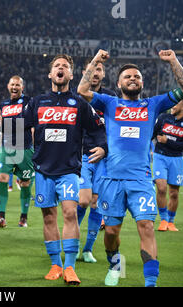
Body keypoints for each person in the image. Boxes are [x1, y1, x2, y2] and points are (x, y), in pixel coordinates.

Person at [77, 49, 183, 287]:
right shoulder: (109, 103)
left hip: (140, 180)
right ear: (119, 83)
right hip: (112, 180)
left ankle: (151, 282)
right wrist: (97, 60)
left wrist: (173, 61)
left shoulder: (152, 104)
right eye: (128, 76)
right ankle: (115, 264)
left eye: (137, 76)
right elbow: (82, 90)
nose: (133, 79)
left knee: (147, 227)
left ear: (142, 83)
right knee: (111, 233)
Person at [24, 54, 107, 285]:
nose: (61, 69)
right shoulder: (37, 102)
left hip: (69, 170)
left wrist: (103, 147)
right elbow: (20, 128)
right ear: (50, 74)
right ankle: (55, 265)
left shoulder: (80, 104)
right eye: (57, 66)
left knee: (70, 212)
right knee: (49, 217)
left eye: (65, 67)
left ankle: (69, 267)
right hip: (42, 170)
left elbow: (98, 129)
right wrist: (20, 162)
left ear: (71, 75)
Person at [76, 60, 116, 263]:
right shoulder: (76, 98)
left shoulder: (110, 98)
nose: (95, 73)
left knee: (96, 203)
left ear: (103, 74)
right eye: (91, 69)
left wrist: (105, 149)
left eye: (99, 69)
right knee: (82, 200)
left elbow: (116, 129)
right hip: (82, 155)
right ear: (84, 73)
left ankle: (87, 250)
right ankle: (73, 244)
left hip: (105, 158)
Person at [0, 75, 34, 228]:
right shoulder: (3, 105)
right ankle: (1, 216)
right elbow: (2, 127)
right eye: (12, 84)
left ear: (22, 87)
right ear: (8, 86)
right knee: (2, 177)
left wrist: (6, 122)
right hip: (7, 147)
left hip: (25, 148)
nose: (15, 87)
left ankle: (23, 217)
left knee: (25, 183)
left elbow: (27, 121)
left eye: (18, 85)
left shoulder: (29, 102)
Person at [153, 98, 183, 232]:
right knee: (161, 188)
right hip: (160, 156)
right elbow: (152, 134)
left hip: (176, 159)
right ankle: (164, 220)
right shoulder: (163, 118)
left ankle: (171, 221)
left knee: (174, 193)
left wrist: (167, 141)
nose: (172, 105)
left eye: (176, 103)